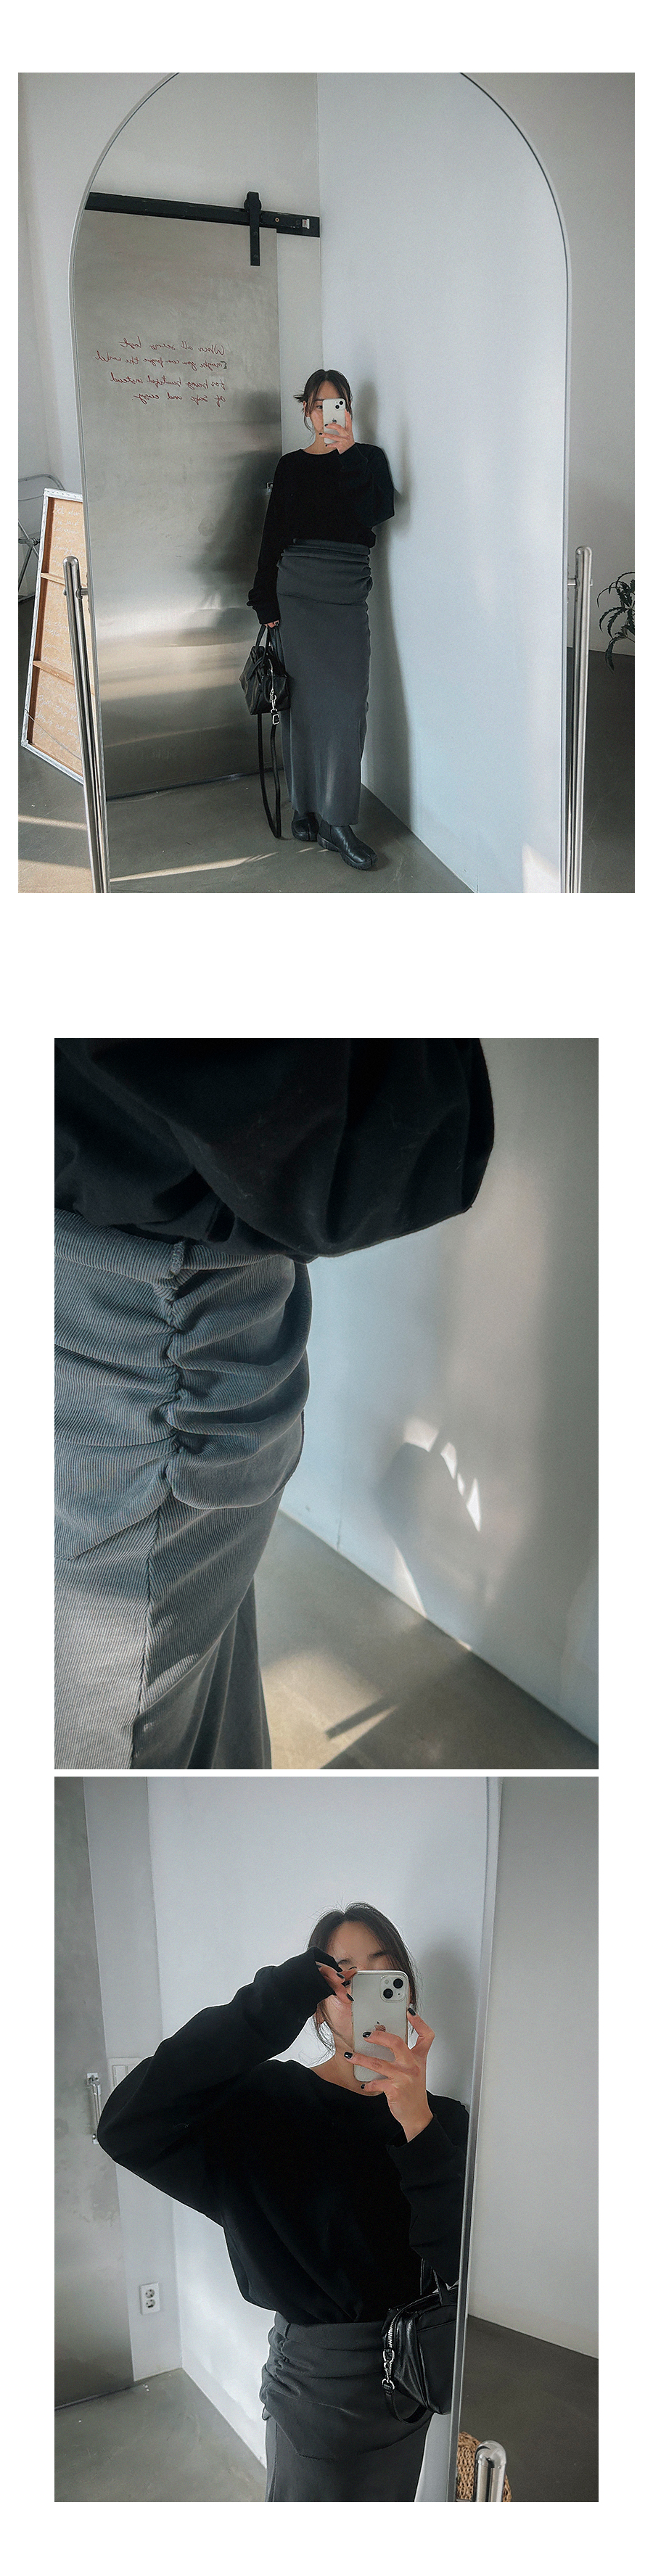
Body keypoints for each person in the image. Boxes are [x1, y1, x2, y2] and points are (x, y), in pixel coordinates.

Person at [54, 1040, 494, 1770]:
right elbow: (353, 1153)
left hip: (128, 1306)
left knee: (171, 1718)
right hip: (140, 1328)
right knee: (129, 1745)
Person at [96, 1903, 469, 2502]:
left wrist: (417, 2124)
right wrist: (275, 2000)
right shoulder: (265, 2106)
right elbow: (126, 2125)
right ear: (319, 2001)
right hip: (319, 2393)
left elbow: (457, 2261)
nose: (363, 1991)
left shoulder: (442, 2121)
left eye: (383, 1972)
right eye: (345, 1977)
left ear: (405, 1991)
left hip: (414, 2378)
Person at [248, 372, 394, 871]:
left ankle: (337, 821)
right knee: (302, 709)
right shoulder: (290, 467)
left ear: (347, 411)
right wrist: (264, 599)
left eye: (338, 405)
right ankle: (306, 810)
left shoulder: (368, 459)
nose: (327, 414)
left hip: (346, 594)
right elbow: (272, 534)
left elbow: (377, 512)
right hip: (296, 595)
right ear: (307, 412)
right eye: (319, 405)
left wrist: (348, 454)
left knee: (348, 710)